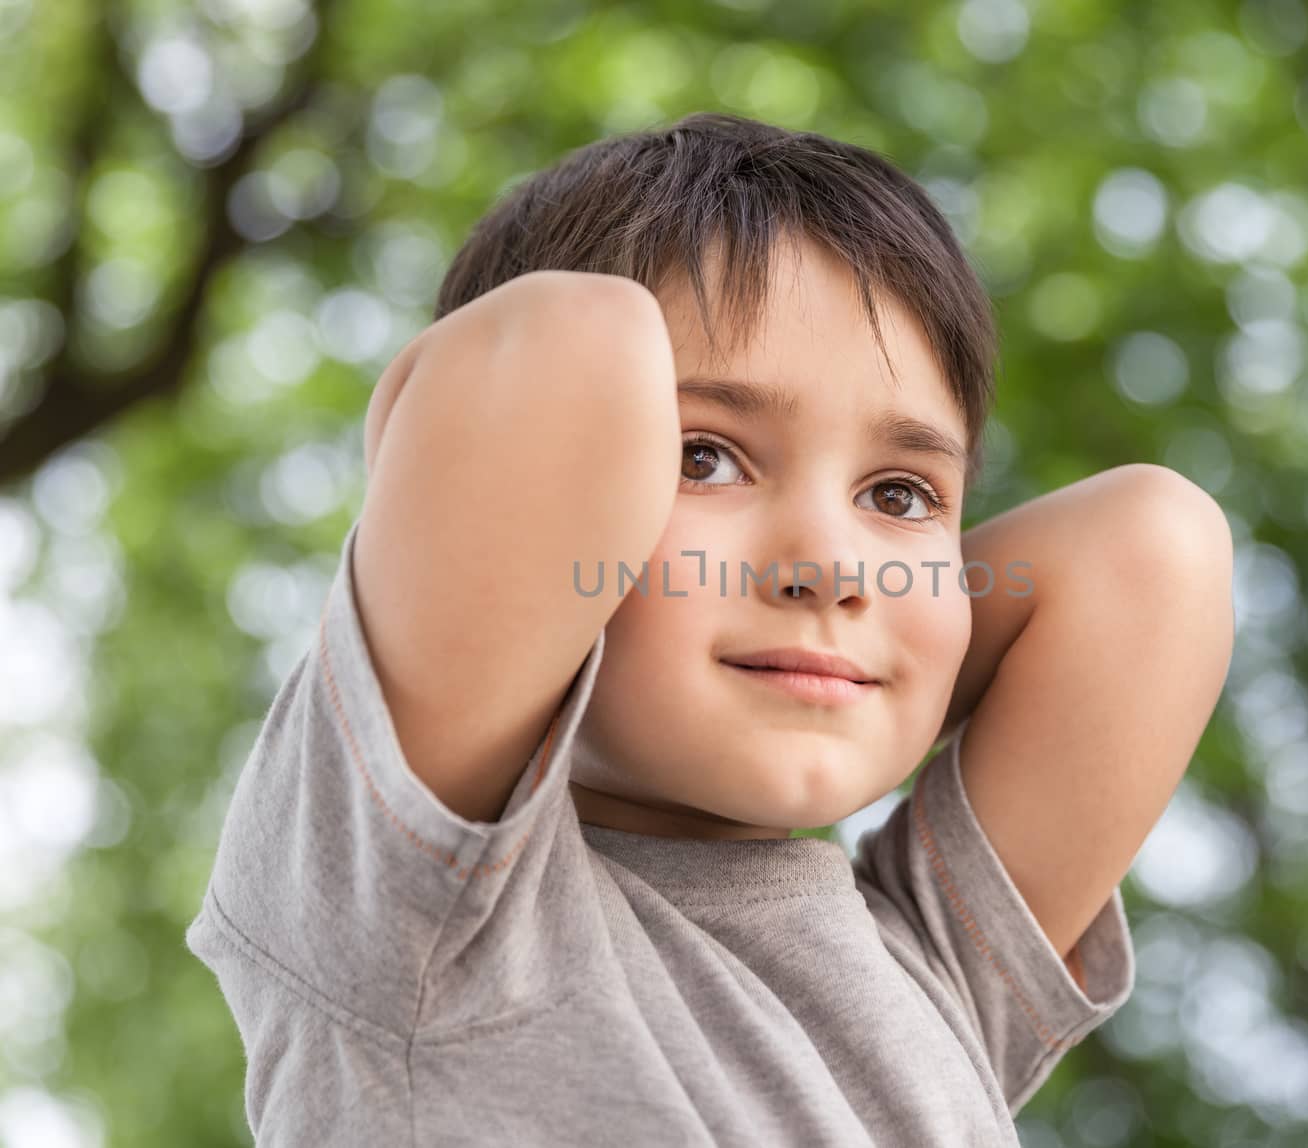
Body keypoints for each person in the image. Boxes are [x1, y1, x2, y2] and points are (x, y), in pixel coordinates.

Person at [186, 111, 1223, 1146]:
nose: (829, 568)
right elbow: (562, 352)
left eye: (900, 494)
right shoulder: (409, 904)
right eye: (702, 457)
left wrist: (862, 659)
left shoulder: (932, 972)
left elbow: (1151, 548)